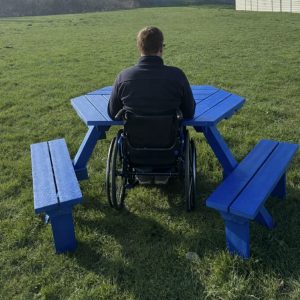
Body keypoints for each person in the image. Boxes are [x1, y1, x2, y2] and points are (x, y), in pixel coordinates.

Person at [108, 26, 195, 184]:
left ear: (139, 47)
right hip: (169, 147)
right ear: (161, 48)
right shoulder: (177, 75)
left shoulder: (124, 77)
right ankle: (164, 170)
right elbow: (189, 112)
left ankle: (144, 170)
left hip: (135, 149)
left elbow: (112, 112)